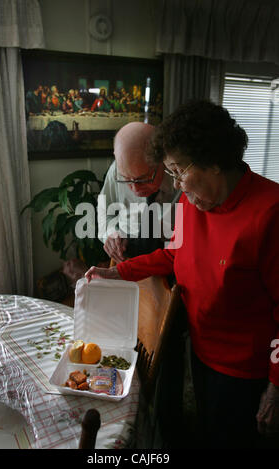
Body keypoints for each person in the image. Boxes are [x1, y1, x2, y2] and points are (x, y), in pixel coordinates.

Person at [85, 100, 279, 449]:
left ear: (215, 161)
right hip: (201, 350)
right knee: (207, 428)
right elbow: (173, 255)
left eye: (179, 171)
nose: (177, 185)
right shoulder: (190, 202)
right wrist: (117, 273)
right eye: (171, 173)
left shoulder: (270, 213)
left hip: (245, 370)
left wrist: (277, 386)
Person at [98, 121, 180, 264]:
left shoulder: (181, 177)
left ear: (162, 159)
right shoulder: (117, 170)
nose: (135, 189)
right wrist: (110, 234)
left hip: (171, 255)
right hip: (125, 253)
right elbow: (104, 212)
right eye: (126, 179)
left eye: (142, 179)